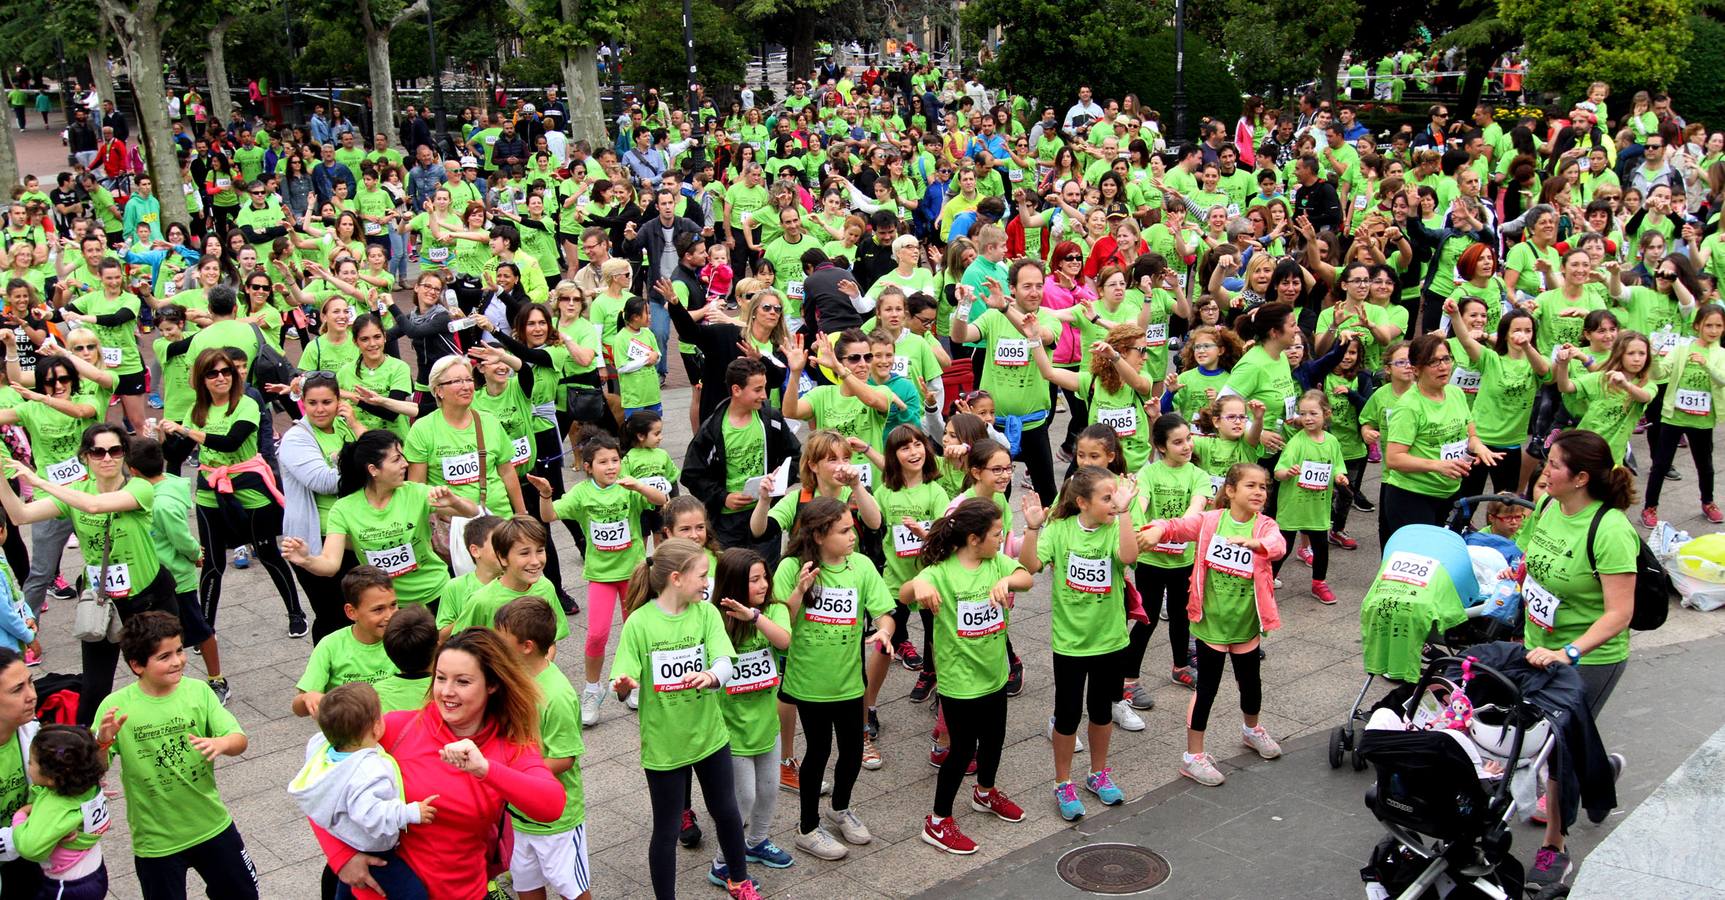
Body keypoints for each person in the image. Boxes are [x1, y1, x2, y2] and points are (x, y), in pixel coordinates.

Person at [314, 629, 564, 900]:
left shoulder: (511, 746)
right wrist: (342, 857)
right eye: (441, 678)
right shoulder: (396, 728)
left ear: (492, 684)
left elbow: (551, 805)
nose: (446, 692)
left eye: (463, 682)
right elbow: (317, 785)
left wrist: (485, 769)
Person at [0, 425, 182, 727]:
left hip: (148, 600)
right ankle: (85, 757)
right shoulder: (75, 494)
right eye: (98, 452)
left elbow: (95, 506)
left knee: (160, 673)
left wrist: (34, 478)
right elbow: (20, 515)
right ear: (86, 457)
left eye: (115, 451)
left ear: (124, 454)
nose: (107, 458)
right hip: (102, 602)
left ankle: (170, 728)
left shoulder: (139, 488)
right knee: (96, 687)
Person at [1517, 430, 1636, 889]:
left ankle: (1555, 850)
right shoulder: (1548, 504)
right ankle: (1600, 773)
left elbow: (1619, 613)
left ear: (1582, 477)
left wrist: (1568, 652)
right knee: (1554, 742)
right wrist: (1519, 575)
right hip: (1537, 645)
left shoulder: (1609, 530)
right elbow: (1535, 555)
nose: (1545, 469)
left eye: (1555, 464)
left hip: (1590, 658)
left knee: (1556, 750)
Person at [610, 539, 761, 900]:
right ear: (676, 578)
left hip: (710, 736)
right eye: (703, 575)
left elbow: (725, 659)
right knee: (664, 829)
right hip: (664, 744)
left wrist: (712, 675)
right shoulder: (640, 624)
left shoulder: (706, 614)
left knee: (726, 811)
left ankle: (739, 881)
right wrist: (624, 685)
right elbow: (622, 680)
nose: (708, 582)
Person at [1139, 463, 1286, 787]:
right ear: (1230, 491)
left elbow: (1278, 545)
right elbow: (1179, 526)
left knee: (1251, 684)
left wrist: (1257, 546)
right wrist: (1158, 529)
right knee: (1208, 688)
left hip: (1246, 625)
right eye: (1251, 486)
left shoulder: (1265, 526)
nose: (1259, 492)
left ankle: (1252, 730)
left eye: (1263, 487)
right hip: (1211, 627)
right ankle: (1194, 756)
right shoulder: (1210, 522)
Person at [93, 612, 257, 900]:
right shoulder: (115, 706)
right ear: (136, 665)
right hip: (156, 841)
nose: (178, 661)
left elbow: (239, 739)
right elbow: (95, 769)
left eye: (179, 650)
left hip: (211, 825)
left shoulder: (198, 692)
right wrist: (103, 743)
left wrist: (222, 743)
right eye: (164, 656)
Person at [902, 498, 1031, 854]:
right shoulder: (940, 571)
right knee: (961, 751)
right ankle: (938, 821)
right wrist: (919, 588)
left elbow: (1027, 577)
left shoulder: (995, 563)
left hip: (994, 674)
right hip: (959, 681)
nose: (1001, 538)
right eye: (996, 533)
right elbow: (905, 592)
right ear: (974, 539)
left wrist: (1008, 579)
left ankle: (985, 792)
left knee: (995, 739)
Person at [773, 498, 895, 861]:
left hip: (849, 681)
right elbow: (779, 626)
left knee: (854, 750)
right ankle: (807, 828)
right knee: (819, 751)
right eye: (843, 531)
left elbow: (885, 611)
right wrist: (799, 590)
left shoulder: (860, 566)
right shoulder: (791, 567)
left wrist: (885, 631)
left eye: (852, 527)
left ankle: (839, 808)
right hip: (809, 681)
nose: (853, 535)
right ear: (819, 535)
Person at [1019, 466, 1137, 820]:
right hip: (1070, 643)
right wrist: (1032, 527)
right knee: (1068, 715)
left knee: (1102, 712)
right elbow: (1029, 567)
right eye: (1107, 497)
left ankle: (1098, 774)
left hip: (1111, 640)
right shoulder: (1060, 530)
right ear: (1082, 502)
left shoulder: (1117, 526)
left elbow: (1129, 558)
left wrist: (1126, 511)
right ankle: (1063, 782)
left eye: (1115, 495)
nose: (1114, 501)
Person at [161, 349, 304, 635]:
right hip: (209, 489)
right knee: (213, 563)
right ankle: (205, 627)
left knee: (267, 553)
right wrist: (164, 436)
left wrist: (187, 431)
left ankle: (295, 613)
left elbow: (231, 442)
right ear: (201, 379)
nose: (221, 378)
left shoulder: (246, 404)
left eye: (226, 371)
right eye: (212, 373)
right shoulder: (196, 411)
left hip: (249, 486)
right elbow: (176, 457)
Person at [531, 430, 668, 723]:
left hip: (633, 575)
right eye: (603, 462)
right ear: (588, 466)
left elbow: (662, 500)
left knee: (636, 633)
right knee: (596, 635)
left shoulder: (628, 488)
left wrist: (640, 487)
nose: (611, 467)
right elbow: (548, 516)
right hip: (601, 576)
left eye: (615, 460)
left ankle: (633, 683)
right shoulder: (582, 493)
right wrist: (545, 494)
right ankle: (592, 691)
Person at [282, 430, 480, 608]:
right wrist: (307, 559)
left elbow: (472, 512)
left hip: (436, 593)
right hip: (387, 605)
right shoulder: (343, 509)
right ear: (373, 469)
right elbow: (330, 565)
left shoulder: (416, 493)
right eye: (396, 459)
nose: (405, 463)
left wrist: (454, 501)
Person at [288, 682, 433, 900]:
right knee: (415, 894)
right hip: (374, 848)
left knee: (349, 888)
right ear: (376, 728)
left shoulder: (321, 748)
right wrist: (411, 812)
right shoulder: (368, 771)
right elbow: (371, 815)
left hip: (345, 838)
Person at [492, 597, 591, 900]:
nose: (495, 643)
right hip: (519, 816)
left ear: (527, 646)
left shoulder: (557, 695)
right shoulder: (513, 680)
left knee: (572, 891)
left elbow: (564, 757)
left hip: (556, 821)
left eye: (501, 638)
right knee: (526, 886)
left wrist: (514, 777)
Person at [707, 548, 796, 873]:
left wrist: (755, 617)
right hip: (731, 728)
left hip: (766, 724)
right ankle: (722, 861)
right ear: (731, 584)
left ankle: (757, 842)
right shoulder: (714, 617)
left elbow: (784, 641)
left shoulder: (773, 610)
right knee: (743, 798)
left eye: (764, 578)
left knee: (769, 790)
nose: (762, 585)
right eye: (753, 580)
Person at [127, 437, 227, 706]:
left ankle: (216, 679)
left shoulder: (162, 504)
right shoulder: (170, 484)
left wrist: (196, 553)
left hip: (176, 579)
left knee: (199, 630)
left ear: (133, 471)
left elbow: (180, 537)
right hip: (158, 577)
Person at [1379, 333, 1496, 550]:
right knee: (1420, 562)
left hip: (1450, 492)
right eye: (1433, 362)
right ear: (1416, 369)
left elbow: (1470, 434)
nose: (1442, 366)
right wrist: (1438, 465)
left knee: (1444, 560)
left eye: (1446, 359)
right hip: (1412, 496)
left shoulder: (1455, 393)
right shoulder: (1409, 406)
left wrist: (1479, 447)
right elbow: (1394, 458)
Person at [680, 358, 803, 562]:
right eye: (757, 390)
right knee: (732, 576)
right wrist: (723, 497)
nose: (764, 395)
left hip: (765, 514)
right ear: (736, 390)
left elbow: (794, 454)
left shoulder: (770, 418)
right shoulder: (713, 430)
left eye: (764, 388)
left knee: (765, 577)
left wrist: (779, 481)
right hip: (728, 523)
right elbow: (692, 474)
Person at [1130, 414, 1213, 698]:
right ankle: (1129, 679)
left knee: (1181, 616)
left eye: (1188, 438)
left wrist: (1168, 530)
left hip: (1183, 560)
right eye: (1178, 442)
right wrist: (1139, 520)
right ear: (1161, 447)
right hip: (1151, 561)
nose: (1187, 446)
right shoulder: (1148, 474)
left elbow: (1196, 509)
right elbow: (1140, 507)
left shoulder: (1198, 475)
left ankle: (1180, 666)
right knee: (1147, 618)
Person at [279, 374, 366, 641]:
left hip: (352, 537)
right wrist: (367, 469)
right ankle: (323, 679)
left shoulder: (344, 427)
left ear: (339, 401)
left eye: (327, 402)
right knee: (333, 617)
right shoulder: (296, 438)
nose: (319, 409)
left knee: (356, 616)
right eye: (312, 402)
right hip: (316, 540)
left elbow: (377, 451)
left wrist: (355, 423)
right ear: (303, 403)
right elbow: (324, 481)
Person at [1641, 303, 1725, 525]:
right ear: (1698, 326)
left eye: (1718, 326)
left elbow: (1723, 380)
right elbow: (1660, 373)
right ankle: (1650, 508)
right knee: (1661, 463)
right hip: (1674, 416)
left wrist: (1706, 365)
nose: (1713, 330)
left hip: (1703, 419)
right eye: (1708, 325)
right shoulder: (1681, 349)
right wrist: (1655, 357)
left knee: (1705, 465)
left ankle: (1708, 502)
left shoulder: (1721, 354)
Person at [9, 724, 114, 899]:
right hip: (95, 872)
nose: (28, 767)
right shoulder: (86, 785)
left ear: (51, 778)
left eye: (31, 762)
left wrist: (19, 818)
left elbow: (30, 848)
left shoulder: (55, 807)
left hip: (67, 887)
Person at [1270, 390, 1350, 604]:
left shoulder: (1332, 441)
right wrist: (1287, 473)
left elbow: (1337, 466)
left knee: (1321, 547)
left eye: (1313, 413)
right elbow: (1278, 471)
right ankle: (1268, 577)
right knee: (1283, 547)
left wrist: (1340, 476)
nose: (1307, 418)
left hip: (1318, 508)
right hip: (1293, 505)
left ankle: (1319, 583)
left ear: (1326, 414)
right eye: (1303, 414)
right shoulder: (1297, 442)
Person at [292, 567, 402, 719]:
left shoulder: (404, 638)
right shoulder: (330, 646)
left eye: (393, 605)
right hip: (349, 735)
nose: (389, 615)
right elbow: (298, 708)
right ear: (351, 612)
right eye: (378, 610)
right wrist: (308, 697)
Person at [0, 647, 43, 897]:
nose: (31, 696)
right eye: (17, 690)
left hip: (28, 859)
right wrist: (37, 831)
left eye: (30, 683)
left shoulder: (31, 733)